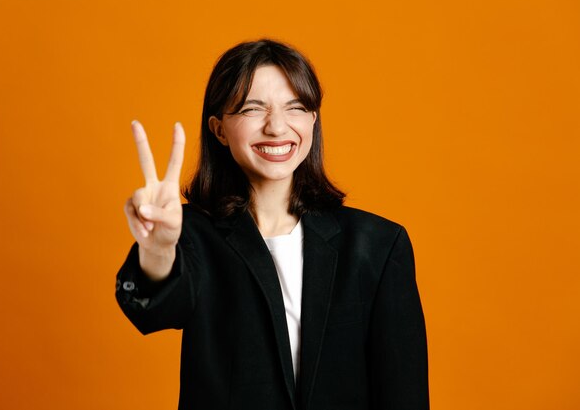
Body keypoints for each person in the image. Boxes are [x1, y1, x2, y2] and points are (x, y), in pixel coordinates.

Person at [116, 39, 429, 410]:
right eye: (252, 108)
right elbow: (152, 312)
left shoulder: (377, 245)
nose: (276, 127)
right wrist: (158, 250)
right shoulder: (193, 237)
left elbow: (403, 393)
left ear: (313, 119)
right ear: (219, 129)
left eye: (295, 107)